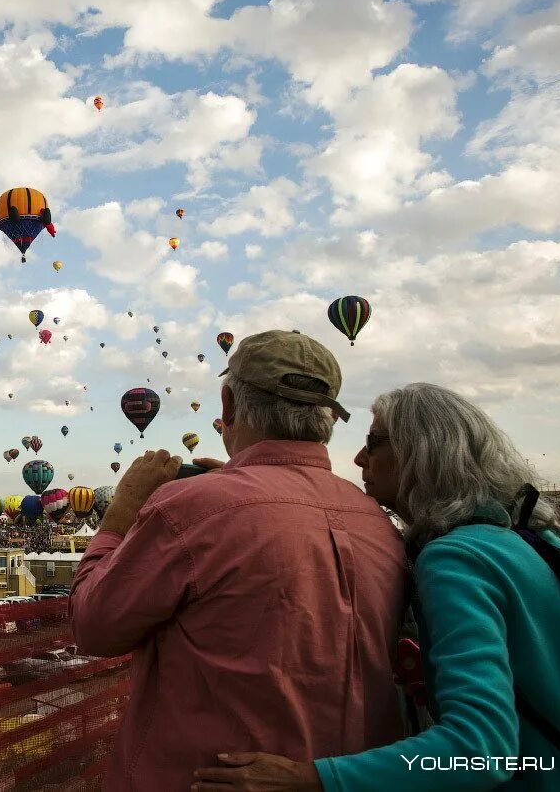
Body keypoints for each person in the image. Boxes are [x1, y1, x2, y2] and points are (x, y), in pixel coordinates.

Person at [70, 330, 407, 792]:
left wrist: (119, 517)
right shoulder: (375, 519)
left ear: (228, 406)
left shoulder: (191, 508)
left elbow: (93, 625)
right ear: (328, 415)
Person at [193, 383, 560, 792]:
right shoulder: (528, 536)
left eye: (375, 442)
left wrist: (311, 778)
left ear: (423, 453)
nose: (358, 457)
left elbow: (481, 752)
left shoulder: (454, 559)